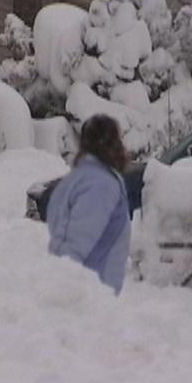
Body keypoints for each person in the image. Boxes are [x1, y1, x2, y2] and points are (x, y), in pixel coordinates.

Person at [46, 114, 131, 294]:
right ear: (109, 144)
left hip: (87, 292)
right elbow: (76, 243)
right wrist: (72, 292)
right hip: (93, 292)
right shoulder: (100, 185)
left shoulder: (78, 178)